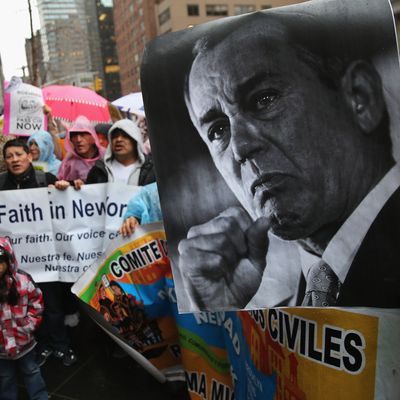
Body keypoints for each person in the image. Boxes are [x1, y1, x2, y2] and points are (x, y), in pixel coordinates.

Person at [179, 12, 399, 309]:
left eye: (264, 99)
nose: (240, 148)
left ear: (360, 97)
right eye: (218, 130)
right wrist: (217, 321)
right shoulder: (269, 317)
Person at [0, 139, 78, 367]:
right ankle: (40, 346)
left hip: (46, 259)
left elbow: (68, 206)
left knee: (53, 306)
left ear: (29, 156)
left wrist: (67, 188)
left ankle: (61, 346)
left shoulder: (47, 180)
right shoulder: (1, 185)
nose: (14, 160)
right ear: (5, 161)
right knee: (24, 309)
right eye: (9, 156)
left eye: (18, 154)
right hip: (16, 266)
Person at [0, 237, 48, 400]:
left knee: (31, 371)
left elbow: (37, 303)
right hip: (1, 347)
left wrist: (28, 325)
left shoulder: (23, 281)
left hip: (24, 341)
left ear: (8, 260)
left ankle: (39, 396)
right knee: (6, 377)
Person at [86, 119, 155, 186]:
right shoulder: (98, 170)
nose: (119, 139)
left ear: (135, 140)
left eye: (125, 136)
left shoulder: (151, 171)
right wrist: (79, 187)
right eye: (115, 136)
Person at [56, 115, 106, 189]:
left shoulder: (105, 156)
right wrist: (70, 184)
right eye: (74, 136)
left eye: (83, 135)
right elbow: (60, 183)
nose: (78, 140)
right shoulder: (68, 161)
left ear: (92, 137)